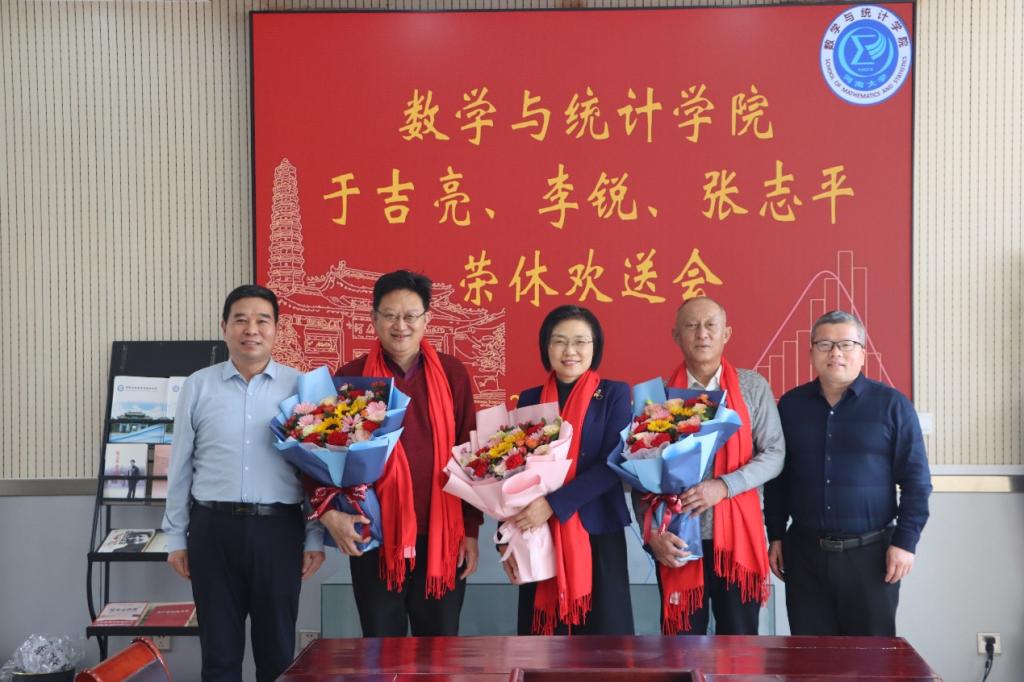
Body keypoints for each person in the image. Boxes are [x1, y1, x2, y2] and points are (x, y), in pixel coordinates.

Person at [162, 284, 325, 682]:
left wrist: (315, 536)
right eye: (240, 320)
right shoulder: (198, 385)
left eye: (262, 320)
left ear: (276, 328)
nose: (251, 329)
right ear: (224, 327)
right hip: (212, 530)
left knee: (277, 655)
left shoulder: (301, 388)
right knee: (219, 657)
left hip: (279, 531)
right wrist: (175, 537)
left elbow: (317, 471)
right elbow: (180, 466)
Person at [316, 270, 481, 637]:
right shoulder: (351, 377)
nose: (400, 326)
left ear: (427, 319)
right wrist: (330, 515)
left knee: (439, 650)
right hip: (375, 535)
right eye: (390, 315)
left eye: (410, 316)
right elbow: (322, 457)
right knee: (382, 649)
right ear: (374, 319)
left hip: (442, 535)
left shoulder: (452, 374)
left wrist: (470, 530)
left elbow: (469, 455)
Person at [764, 310, 931, 636]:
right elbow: (778, 480)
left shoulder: (892, 406)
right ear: (811, 352)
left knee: (871, 657)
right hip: (805, 555)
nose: (835, 353)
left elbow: (917, 482)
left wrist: (905, 543)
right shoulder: (791, 406)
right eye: (825, 344)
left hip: (871, 557)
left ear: (863, 353)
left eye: (846, 344)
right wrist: (776, 535)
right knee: (811, 657)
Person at [640, 296, 784, 634]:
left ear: (726, 333)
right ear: (676, 335)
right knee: (681, 647)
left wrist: (724, 486)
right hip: (677, 541)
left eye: (710, 325)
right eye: (691, 326)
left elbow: (775, 453)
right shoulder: (657, 396)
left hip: (736, 541)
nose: (701, 333)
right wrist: (651, 535)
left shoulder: (752, 386)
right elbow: (641, 478)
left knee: (739, 644)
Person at [508, 305, 634, 636]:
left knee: (604, 644)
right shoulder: (531, 399)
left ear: (595, 347)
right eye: (559, 341)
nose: (570, 351)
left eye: (580, 341)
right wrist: (505, 537)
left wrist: (553, 504)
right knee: (543, 645)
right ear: (546, 347)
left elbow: (614, 463)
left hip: (597, 532)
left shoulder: (614, 394)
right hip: (539, 533)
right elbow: (511, 470)